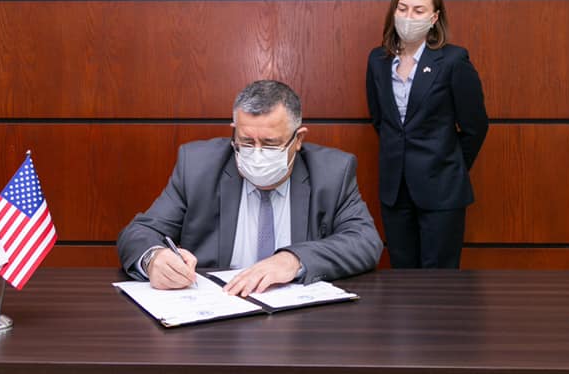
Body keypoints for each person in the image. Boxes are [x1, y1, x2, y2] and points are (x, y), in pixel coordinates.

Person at [118, 80, 383, 295]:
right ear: (234, 131)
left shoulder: (332, 172)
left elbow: (365, 241)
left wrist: (293, 259)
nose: (256, 154)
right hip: (215, 313)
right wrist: (153, 259)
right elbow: (140, 232)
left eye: (269, 144)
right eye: (246, 141)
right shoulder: (197, 167)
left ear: (298, 139)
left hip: (298, 324)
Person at [366, 0, 488, 269]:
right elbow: (380, 121)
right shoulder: (378, 61)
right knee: (402, 274)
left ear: (434, 18)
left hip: (442, 190)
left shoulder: (453, 60)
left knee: (439, 281)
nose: (408, 16)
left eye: (418, 10)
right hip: (395, 191)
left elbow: (475, 126)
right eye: (403, 8)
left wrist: (449, 164)